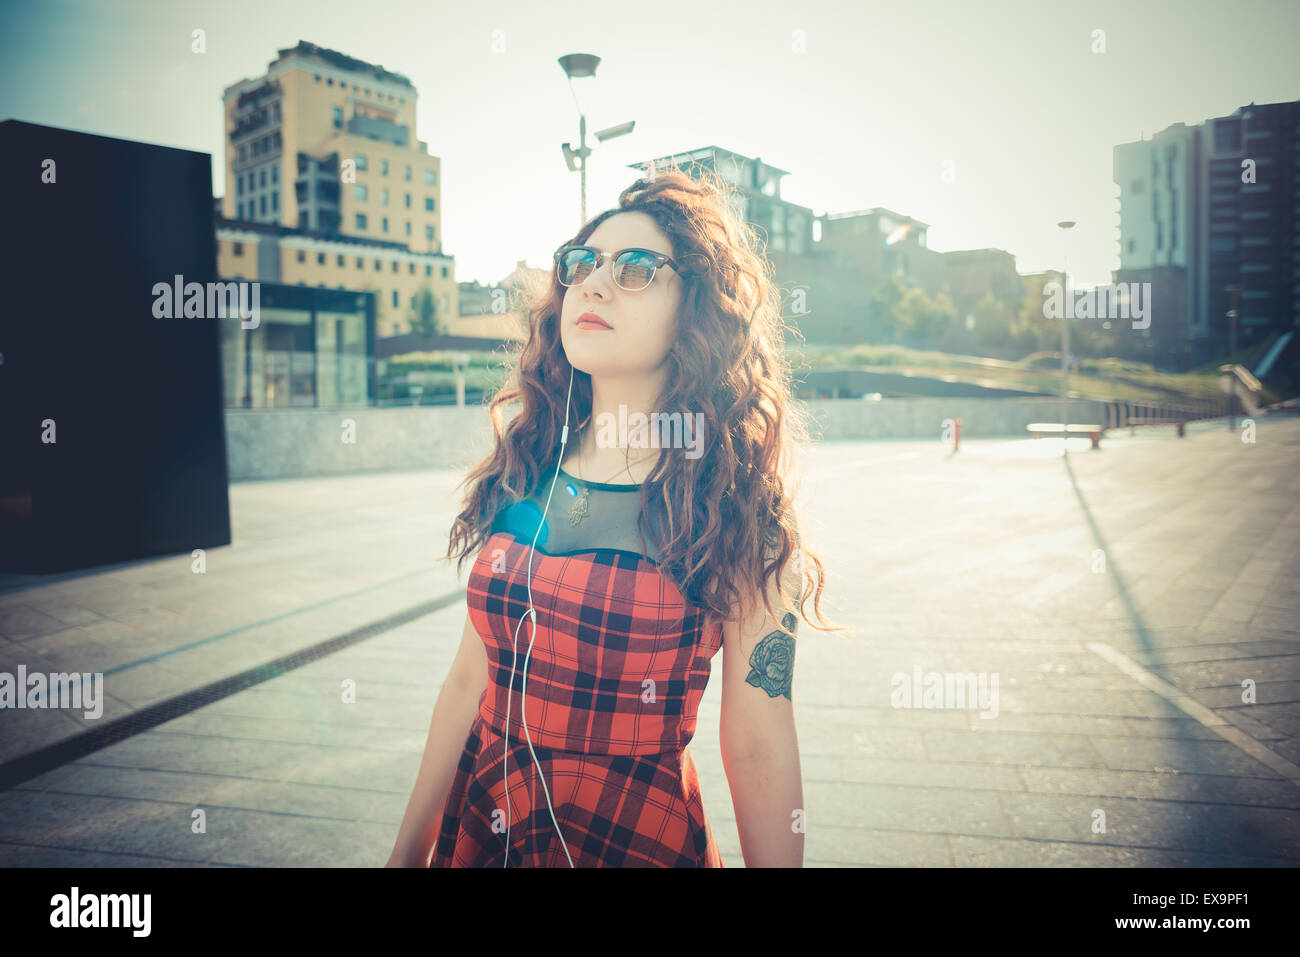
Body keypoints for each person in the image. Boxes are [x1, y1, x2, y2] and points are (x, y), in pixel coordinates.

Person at [386, 166, 843, 868]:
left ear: (696, 308)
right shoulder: (526, 464)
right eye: (581, 264)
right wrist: (406, 853)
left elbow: (758, 740)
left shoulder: (734, 504)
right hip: (485, 835)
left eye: (635, 268)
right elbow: (468, 683)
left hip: (636, 840)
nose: (593, 285)